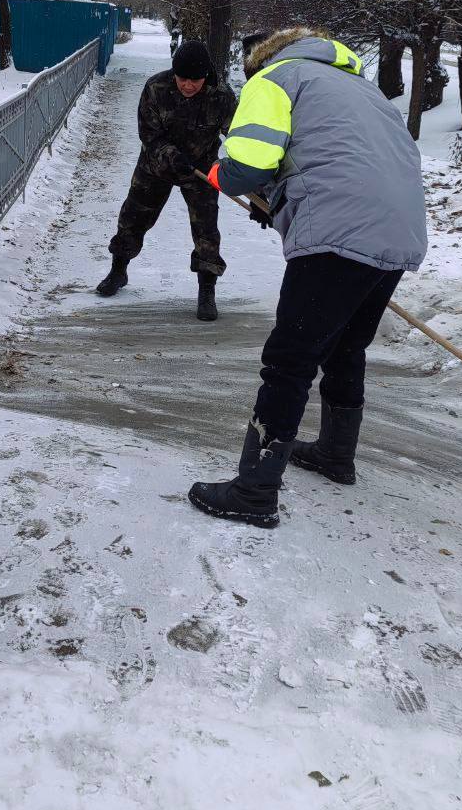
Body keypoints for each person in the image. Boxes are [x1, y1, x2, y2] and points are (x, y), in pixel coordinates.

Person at [187, 26, 427, 528]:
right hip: (399, 229)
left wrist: (224, 171)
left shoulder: (273, 79)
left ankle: (254, 491)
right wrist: (280, 196)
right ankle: (336, 456)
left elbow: (246, 166)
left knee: (289, 359)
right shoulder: (364, 90)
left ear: (256, 61)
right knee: (345, 346)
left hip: (340, 226)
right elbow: (340, 157)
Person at [96, 38, 237, 321]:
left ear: (205, 77)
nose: (188, 85)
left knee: (206, 229)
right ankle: (118, 270)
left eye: (194, 80)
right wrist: (170, 155)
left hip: (201, 170)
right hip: (156, 166)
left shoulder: (221, 97)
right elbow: (148, 134)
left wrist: (240, 169)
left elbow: (236, 134)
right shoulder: (156, 88)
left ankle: (206, 288)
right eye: (182, 78)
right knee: (133, 218)